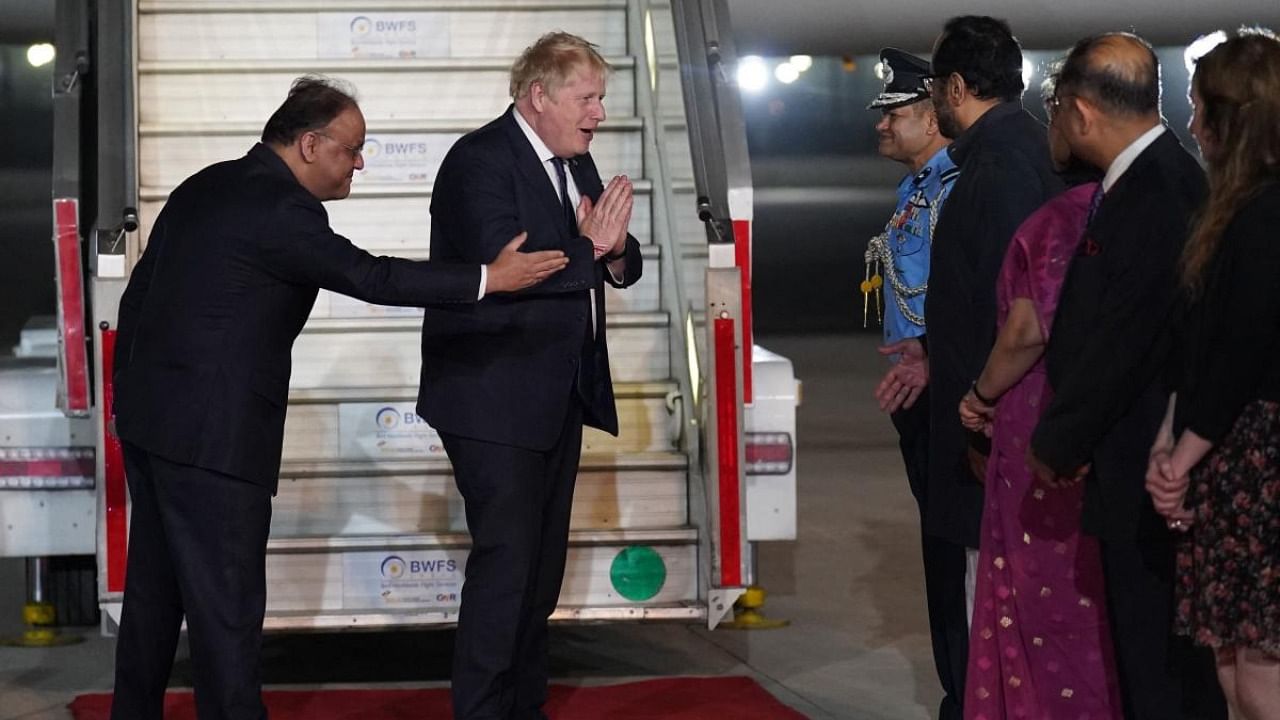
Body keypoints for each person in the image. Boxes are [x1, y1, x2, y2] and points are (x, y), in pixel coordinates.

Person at [109, 76, 568, 720]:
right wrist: (491, 277)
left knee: (154, 600)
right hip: (216, 439)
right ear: (307, 143)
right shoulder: (283, 211)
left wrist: (126, 403)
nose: (359, 163)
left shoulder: (204, 184)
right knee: (227, 611)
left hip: (152, 424)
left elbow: (137, 297)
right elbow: (372, 277)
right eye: (350, 149)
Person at [417, 32, 643, 720]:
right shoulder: (479, 161)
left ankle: (523, 706)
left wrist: (608, 254)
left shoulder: (574, 159)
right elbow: (506, 267)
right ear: (538, 96)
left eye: (601, 97)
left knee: (540, 575)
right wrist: (591, 248)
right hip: (491, 398)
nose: (600, 112)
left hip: (555, 396)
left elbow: (616, 257)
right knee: (508, 568)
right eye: (588, 97)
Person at [1027, 32, 1226, 719]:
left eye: (1055, 106)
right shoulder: (1149, 181)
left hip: (1145, 463)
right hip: (1132, 457)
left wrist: (1060, 439)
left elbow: (1124, 339)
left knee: (1159, 663)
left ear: (1080, 113)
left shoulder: (1156, 194)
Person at [879, 16, 1063, 718]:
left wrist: (984, 411)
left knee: (980, 582)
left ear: (953, 87)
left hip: (992, 422)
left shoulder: (996, 168)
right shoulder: (1012, 152)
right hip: (978, 406)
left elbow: (1022, 308)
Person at [957, 69, 1122, 718]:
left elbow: (1028, 328)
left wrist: (979, 394)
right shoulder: (1128, 209)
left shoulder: (1058, 222)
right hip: (1096, 420)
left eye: (1052, 112)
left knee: (1037, 595)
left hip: (1035, 424)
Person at [1145, 28, 1280, 720]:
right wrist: (1169, 446)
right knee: (1232, 671)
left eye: (1200, 109)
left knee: (1259, 675)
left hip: (1259, 461)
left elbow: (1243, 353)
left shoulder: (1264, 217)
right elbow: (1191, 348)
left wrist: (1180, 456)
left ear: (1237, 119)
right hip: (1223, 456)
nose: (1190, 125)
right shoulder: (1226, 213)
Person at [862, 46, 963, 719]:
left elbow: (959, 294)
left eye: (893, 112)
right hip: (913, 393)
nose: (881, 125)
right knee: (937, 544)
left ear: (932, 117)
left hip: (946, 390)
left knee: (956, 552)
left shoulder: (955, 189)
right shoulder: (915, 189)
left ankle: (968, 689)